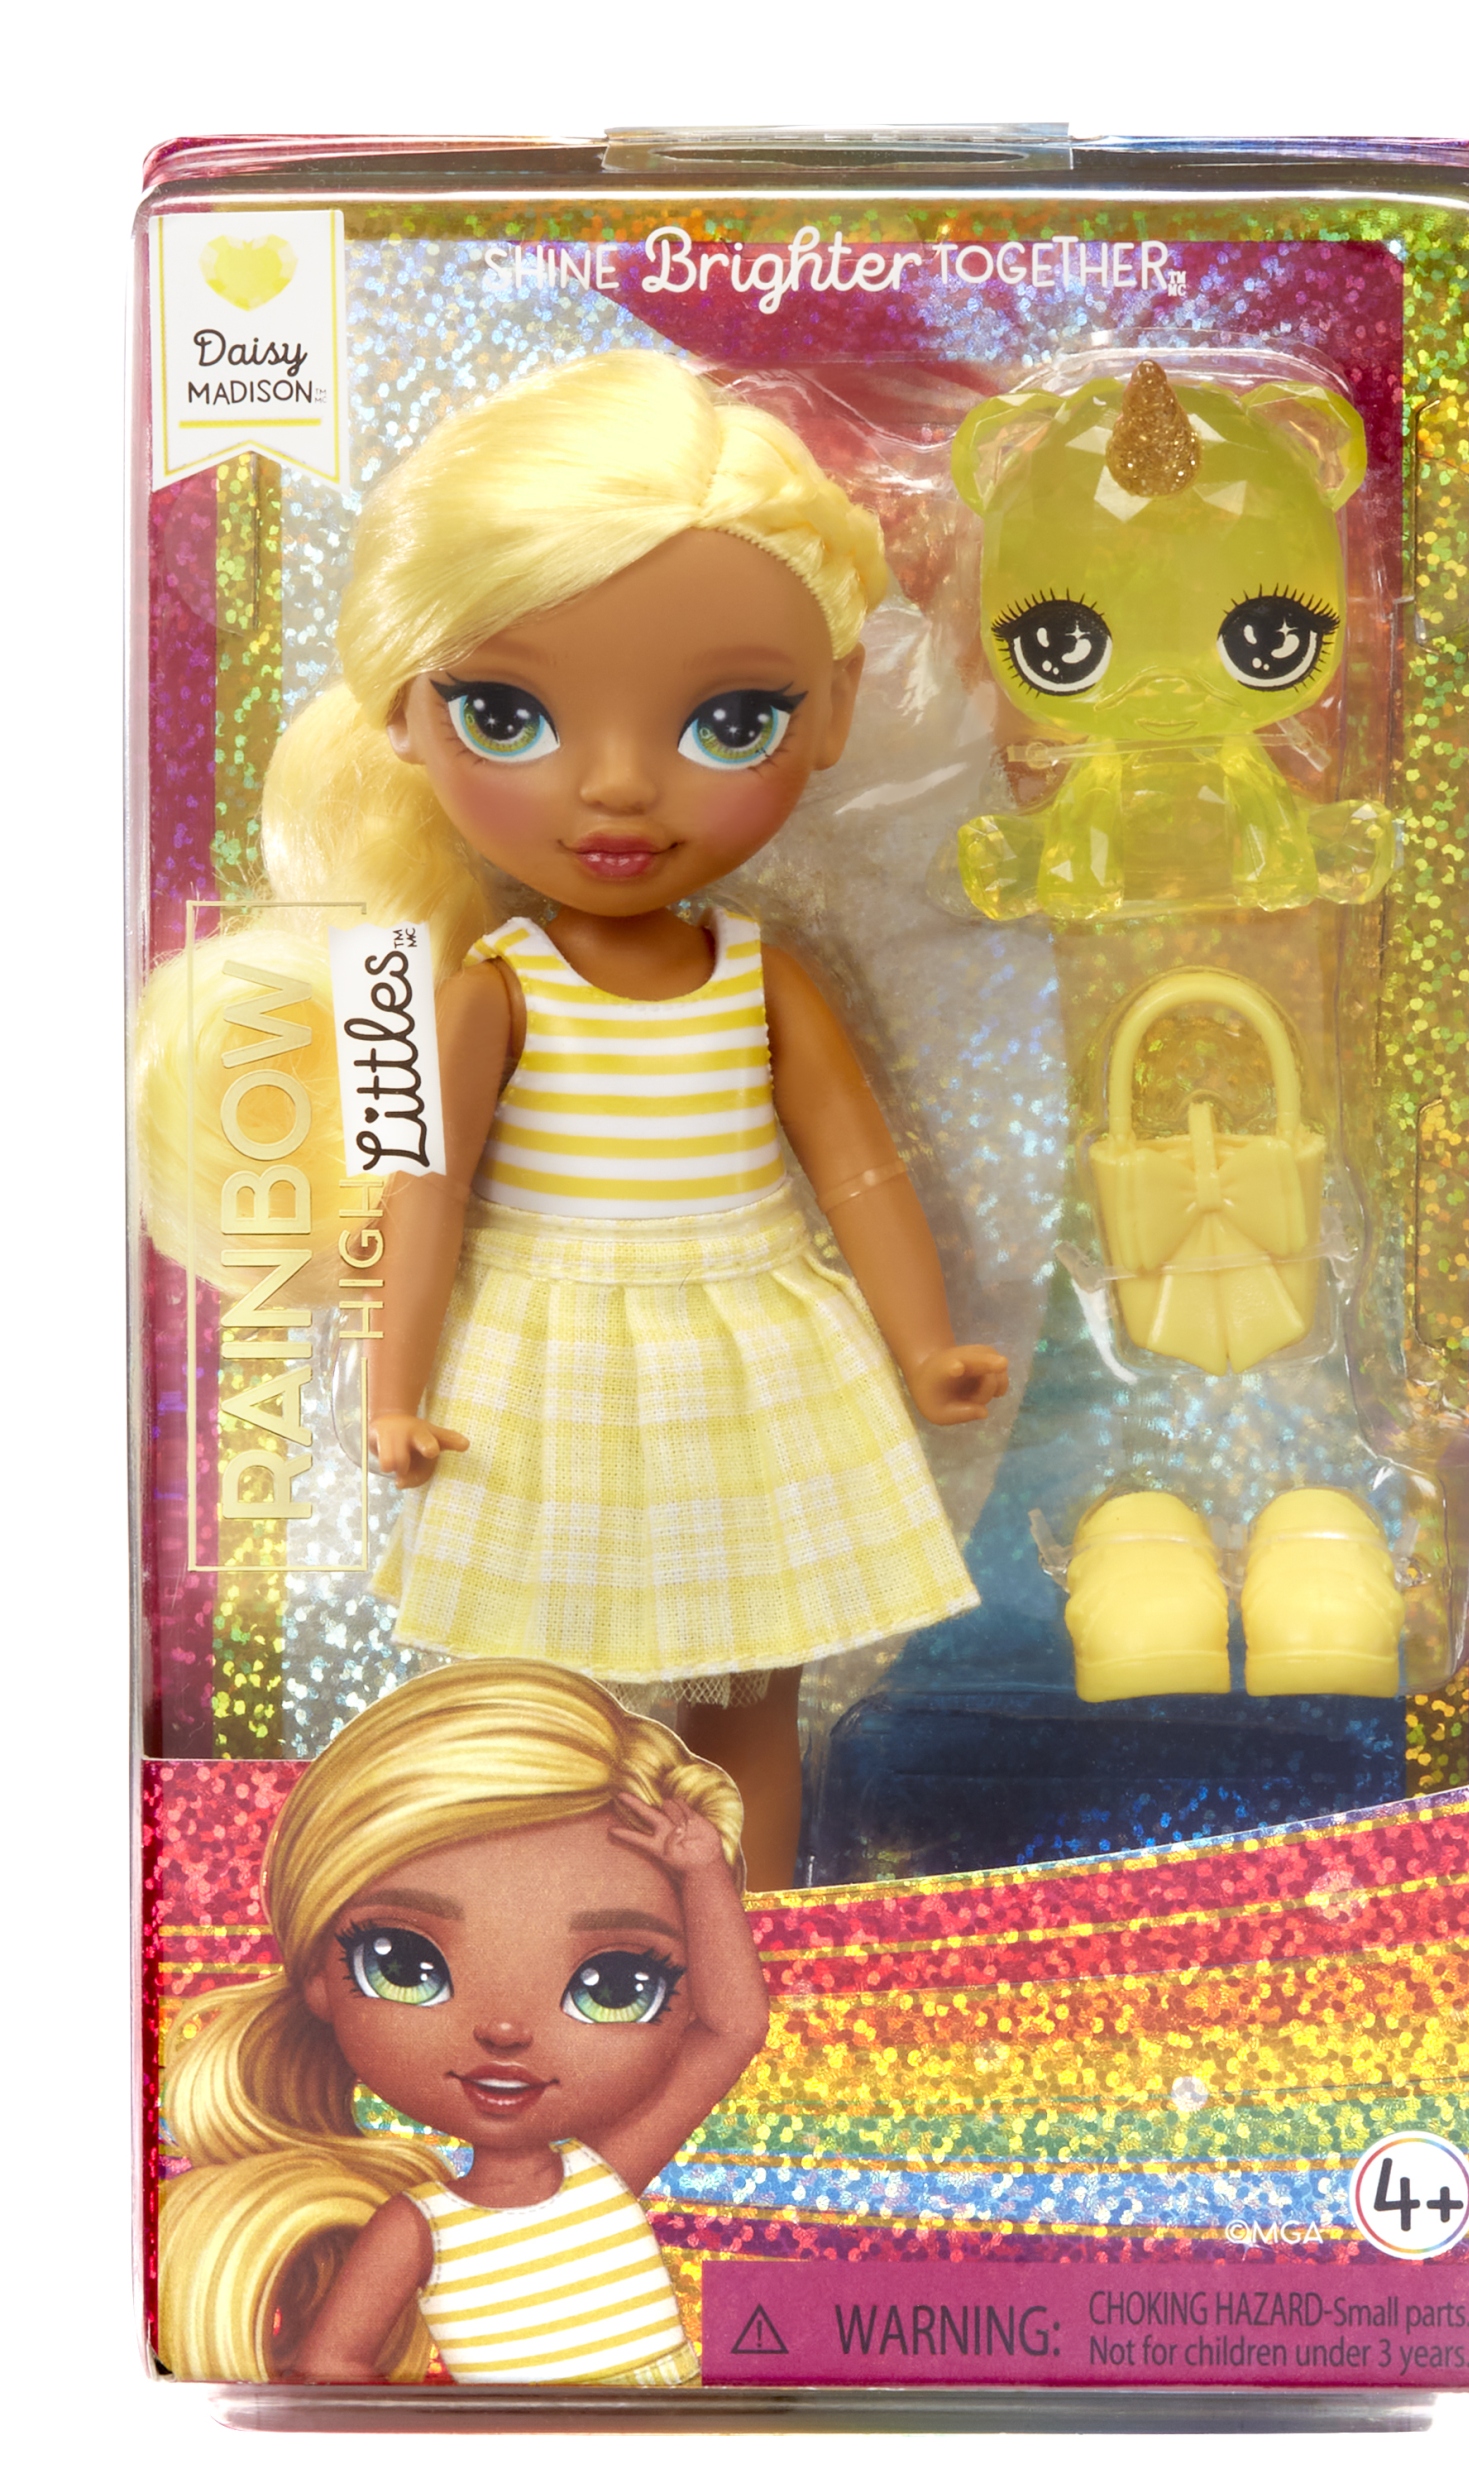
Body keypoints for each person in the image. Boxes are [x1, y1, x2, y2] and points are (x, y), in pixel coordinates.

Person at [139, 351, 1007, 1884]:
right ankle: (568, 1943)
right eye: (506, 713)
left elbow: (858, 1169)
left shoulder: (761, 975)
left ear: (830, 708)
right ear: (400, 715)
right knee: (551, 1704)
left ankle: (748, 1930)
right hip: (542, 1360)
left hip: (750, 1346)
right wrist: (392, 1390)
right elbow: (421, 1196)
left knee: (752, 1683)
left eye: (729, 719)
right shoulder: (484, 990)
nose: (615, 788)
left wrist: (926, 1342)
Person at [157, 1661, 770, 2385]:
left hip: (664, 2426)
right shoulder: (420, 2227)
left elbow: (732, 2029)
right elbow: (331, 2363)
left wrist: (703, 1874)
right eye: (405, 1966)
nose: (505, 2032)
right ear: (319, 1975)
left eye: (614, 1987)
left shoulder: (601, 2172)